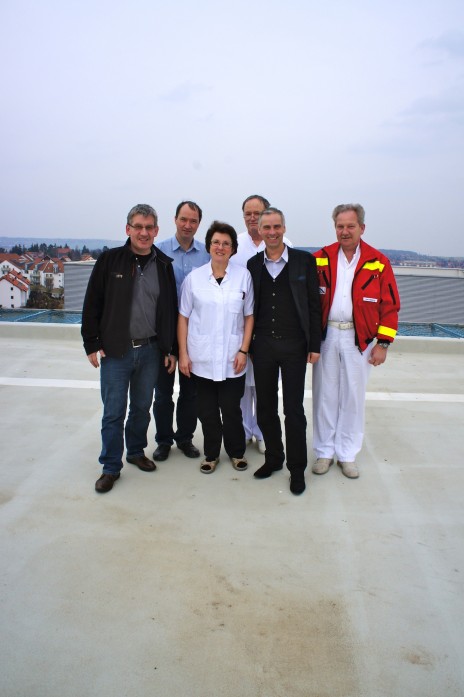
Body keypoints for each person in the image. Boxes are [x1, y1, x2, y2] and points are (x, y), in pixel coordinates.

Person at [82, 204, 178, 494]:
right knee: (113, 411)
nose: (144, 232)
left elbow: (169, 311)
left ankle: (135, 451)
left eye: (149, 227)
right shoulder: (110, 261)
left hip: (150, 351)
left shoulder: (163, 264)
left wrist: (169, 349)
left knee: (140, 408)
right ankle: (111, 467)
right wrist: (92, 344)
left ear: (156, 231)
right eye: (138, 226)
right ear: (128, 229)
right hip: (116, 351)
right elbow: (92, 304)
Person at [312, 204, 400, 479]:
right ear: (334, 227)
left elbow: (390, 305)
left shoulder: (378, 262)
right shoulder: (321, 258)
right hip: (326, 337)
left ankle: (347, 454)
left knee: (352, 397)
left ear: (362, 227)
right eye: (340, 226)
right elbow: (306, 302)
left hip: (358, 340)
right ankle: (324, 452)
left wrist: (383, 344)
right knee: (325, 395)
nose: (345, 231)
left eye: (351, 226)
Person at [247, 207, 321, 495]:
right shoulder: (253, 265)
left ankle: (297, 469)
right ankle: (274, 459)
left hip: (294, 346)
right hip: (263, 346)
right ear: (260, 231)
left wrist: (314, 345)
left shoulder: (304, 261)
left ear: (284, 228)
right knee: (265, 407)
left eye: (277, 226)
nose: (272, 232)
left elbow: (314, 305)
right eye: (267, 227)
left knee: (294, 410)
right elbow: (249, 309)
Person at [178, 221, 254, 474]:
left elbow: (249, 316)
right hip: (202, 358)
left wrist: (244, 350)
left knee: (232, 410)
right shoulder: (194, 279)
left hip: (234, 358)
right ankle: (211, 454)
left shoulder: (243, 276)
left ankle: (236, 453)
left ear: (233, 248)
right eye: (216, 242)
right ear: (209, 245)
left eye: (226, 243)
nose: (220, 247)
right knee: (207, 411)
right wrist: (183, 354)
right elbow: (183, 318)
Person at [231, 194, 293, 455]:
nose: (253, 218)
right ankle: (245, 430)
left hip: (271, 328)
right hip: (240, 325)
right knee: (243, 385)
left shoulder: (284, 243)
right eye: (248, 213)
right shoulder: (236, 244)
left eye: (258, 213)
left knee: (266, 386)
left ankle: (262, 431)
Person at [152, 201, 210, 462]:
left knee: (191, 392)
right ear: (175, 219)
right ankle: (163, 440)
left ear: (199, 223)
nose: (188, 225)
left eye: (193, 221)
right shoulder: (158, 250)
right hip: (164, 331)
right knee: (163, 392)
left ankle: (185, 438)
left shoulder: (207, 254)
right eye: (184, 219)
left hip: (194, 332)